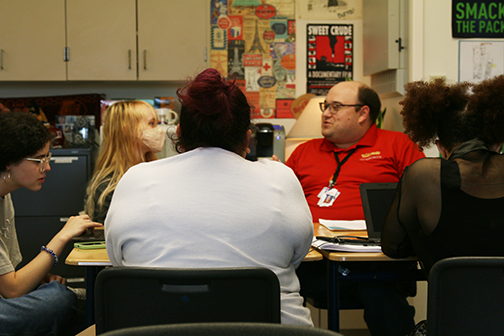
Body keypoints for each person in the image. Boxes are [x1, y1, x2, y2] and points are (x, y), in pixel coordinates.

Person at [105, 68, 314, 326]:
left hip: (153, 329)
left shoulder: (135, 179)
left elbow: (118, 259)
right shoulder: (281, 178)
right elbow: (298, 253)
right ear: (247, 138)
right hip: (270, 330)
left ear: (179, 134)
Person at [286, 81, 425, 336]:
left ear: (363, 113)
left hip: (376, 260)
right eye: (325, 106)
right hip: (312, 260)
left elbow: (424, 193)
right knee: (277, 285)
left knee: (380, 291)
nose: (326, 113)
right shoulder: (303, 152)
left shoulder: (397, 145)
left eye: (336, 107)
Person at [382, 75, 504, 276]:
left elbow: (393, 247)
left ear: (441, 148)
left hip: (453, 305)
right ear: (498, 144)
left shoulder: (423, 175)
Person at [0, 111, 102, 336]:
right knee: (62, 299)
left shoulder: (5, 196)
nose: (47, 167)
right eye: (39, 160)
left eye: (48, 158)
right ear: (8, 161)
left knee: (67, 300)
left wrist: (36, 279)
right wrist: (62, 236)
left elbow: (8, 276)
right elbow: (13, 289)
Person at [84, 100, 164, 223]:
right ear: (127, 131)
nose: (158, 130)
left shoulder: (158, 174)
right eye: (151, 123)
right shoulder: (107, 187)